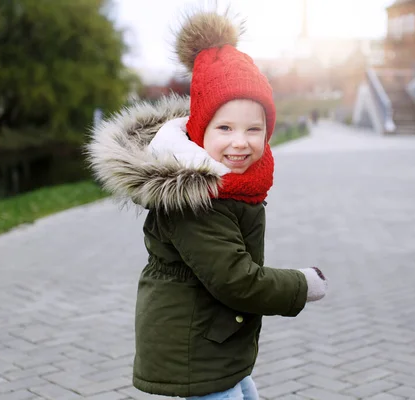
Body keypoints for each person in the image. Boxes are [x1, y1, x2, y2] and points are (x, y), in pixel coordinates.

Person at [87, 10, 328, 400]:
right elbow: (236, 280)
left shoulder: (237, 184)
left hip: (215, 341)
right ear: (200, 130)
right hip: (192, 351)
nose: (240, 142)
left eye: (254, 129)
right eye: (225, 128)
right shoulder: (196, 199)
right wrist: (302, 285)